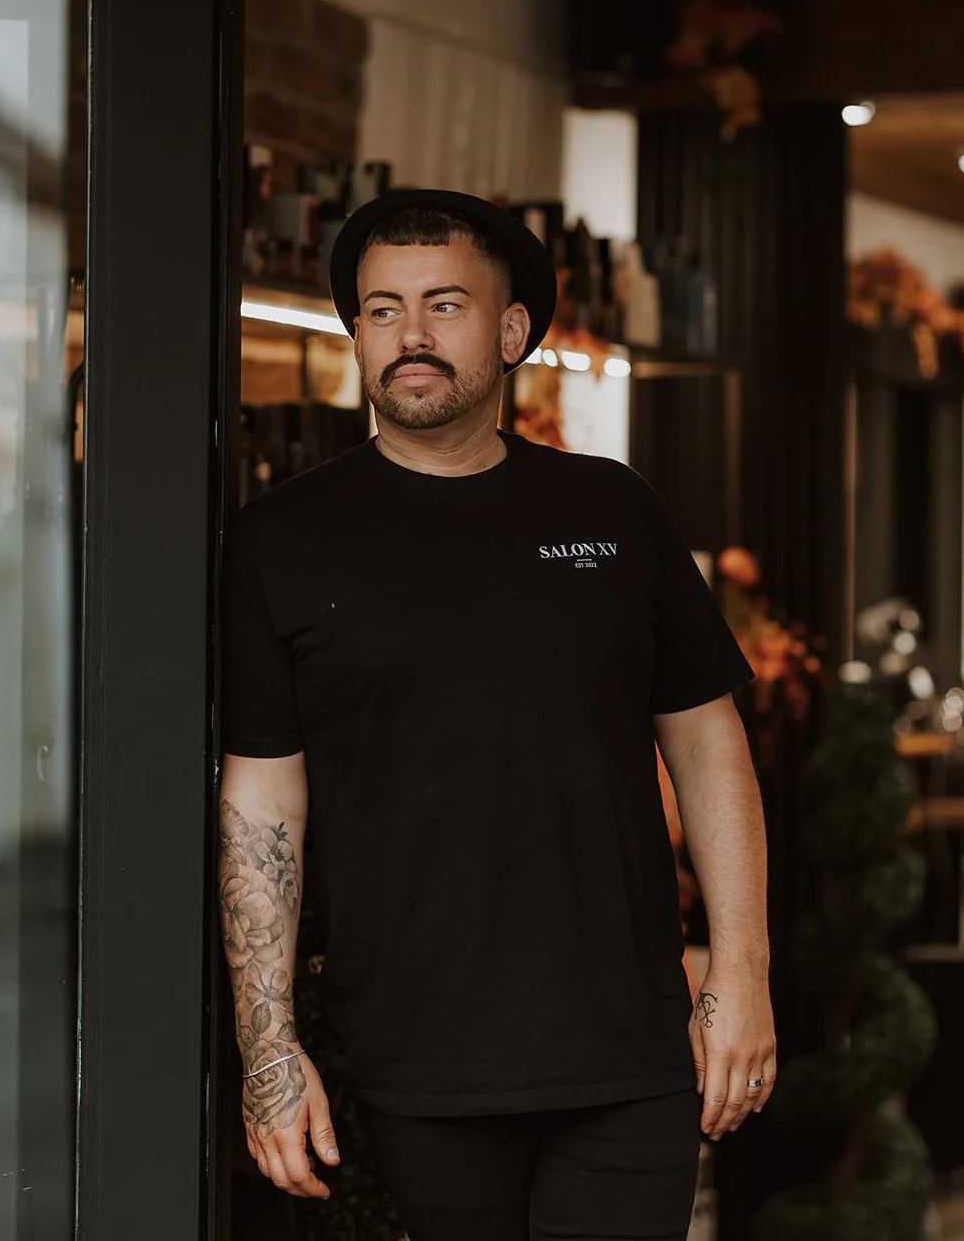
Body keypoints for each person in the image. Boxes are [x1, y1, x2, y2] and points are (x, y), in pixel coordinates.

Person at [220, 189, 775, 1241]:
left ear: (511, 330)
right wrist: (268, 1047)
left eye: (443, 304)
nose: (410, 336)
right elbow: (261, 800)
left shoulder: (611, 511)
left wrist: (739, 976)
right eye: (381, 310)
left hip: (626, 1046)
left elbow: (708, 747)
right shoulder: (282, 541)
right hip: (413, 1054)